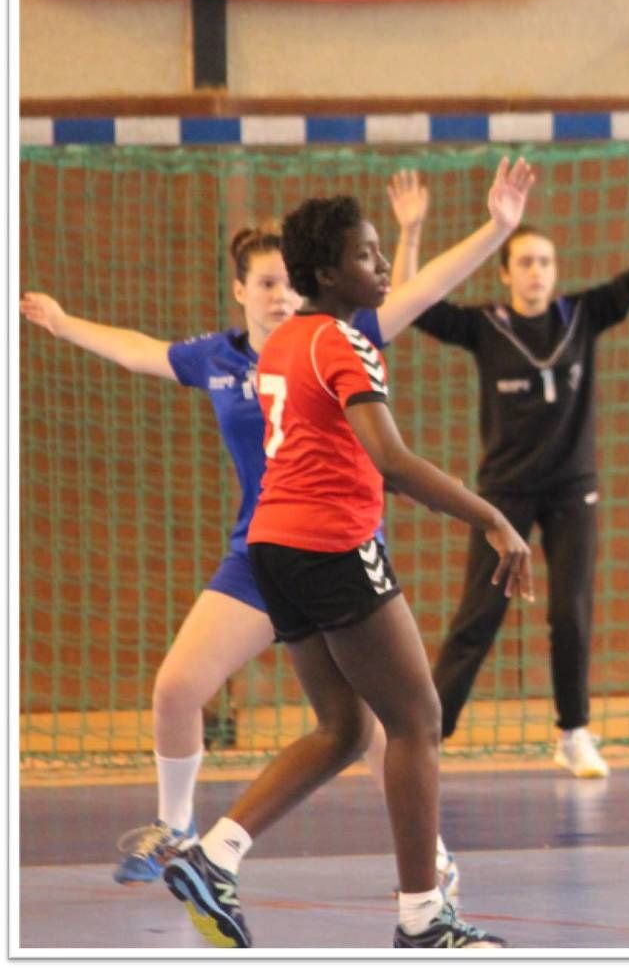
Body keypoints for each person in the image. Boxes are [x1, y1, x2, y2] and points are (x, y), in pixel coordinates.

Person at [19, 161, 530, 901]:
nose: (278, 294)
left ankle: (414, 858)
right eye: (264, 283)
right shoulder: (230, 356)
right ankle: (184, 834)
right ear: (242, 290)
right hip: (274, 550)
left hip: (312, 545)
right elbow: (136, 348)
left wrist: (494, 228)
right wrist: (64, 323)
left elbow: (420, 288)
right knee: (190, 689)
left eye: (285, 283)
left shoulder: (333, 335)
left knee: (365, 723)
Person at [161, 187, 537, 949]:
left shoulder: (283, 342)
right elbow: (391, 460)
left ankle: (214, 853)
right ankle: (424, 916)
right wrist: (492, 518)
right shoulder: (341, 342)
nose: (384, 265)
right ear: (329, 273)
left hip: (272, 547)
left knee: (343, 727)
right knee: (418, 719)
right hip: (330, 545)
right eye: (367, 254)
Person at [414, 161, 629, 779]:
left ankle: (574, 733)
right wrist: (411, 232)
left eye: (545, 262)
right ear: (505, 272)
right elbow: (416, 303)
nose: (536, 271)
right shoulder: (484, 327)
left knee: (570, 611)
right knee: (479, 616)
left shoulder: (581, 316)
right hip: (504, 493)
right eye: (525, 262)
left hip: (572, 490)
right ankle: (429, 734)